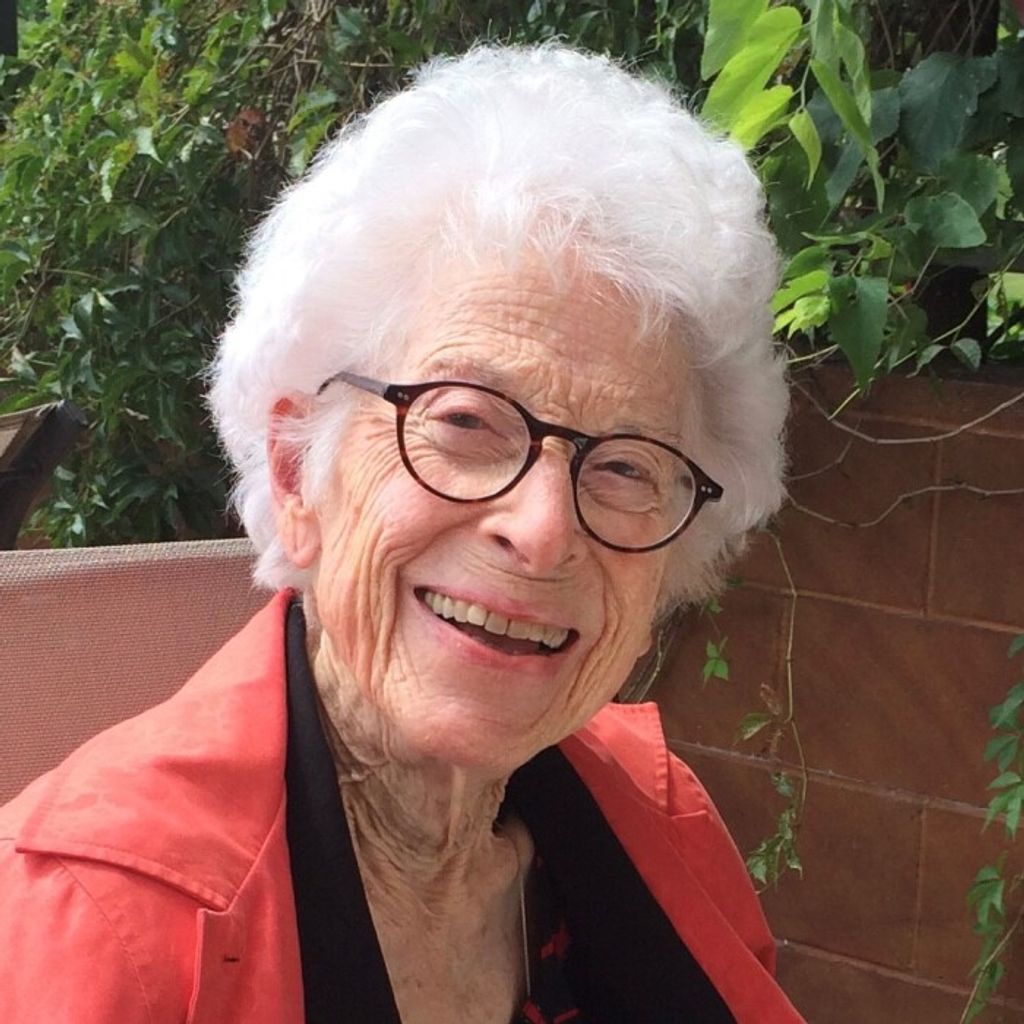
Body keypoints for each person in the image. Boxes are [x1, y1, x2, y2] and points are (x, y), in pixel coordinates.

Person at [0, 44, 802, 1023]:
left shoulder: (663, 828)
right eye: (464, 421)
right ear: (298, 471)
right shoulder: (85, 926)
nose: (543, 530)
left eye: (627, 466)